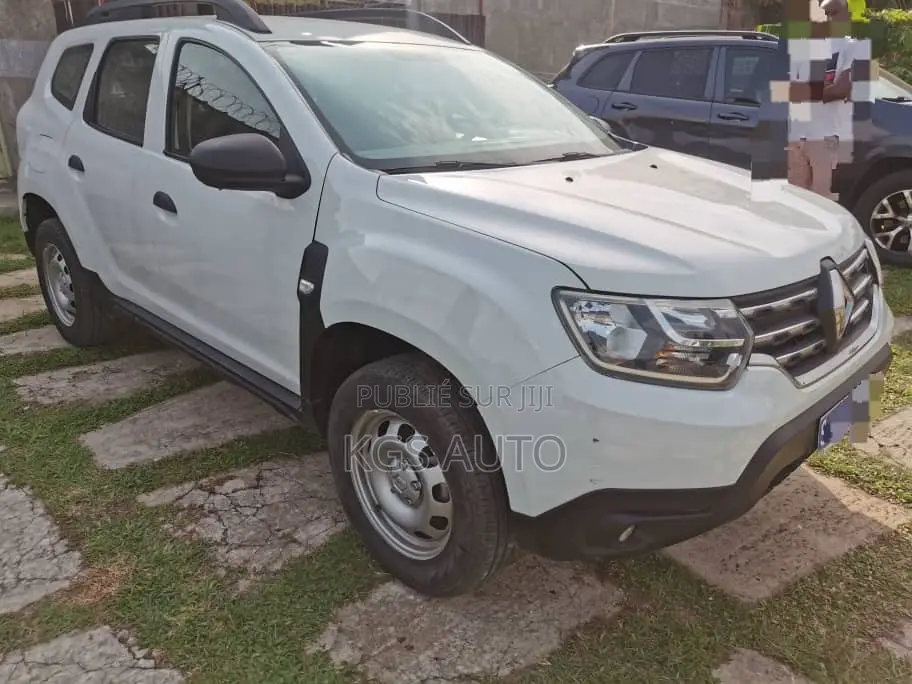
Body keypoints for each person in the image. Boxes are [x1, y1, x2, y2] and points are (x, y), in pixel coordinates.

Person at [786, 0, 866, 200]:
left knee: (822, 201)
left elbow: (841, 89)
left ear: (846, 17)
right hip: (797, 135)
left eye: (834, 13)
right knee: (794, 200)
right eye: (824, 13)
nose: (828, 18)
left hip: (827, 136)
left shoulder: (854, 47)